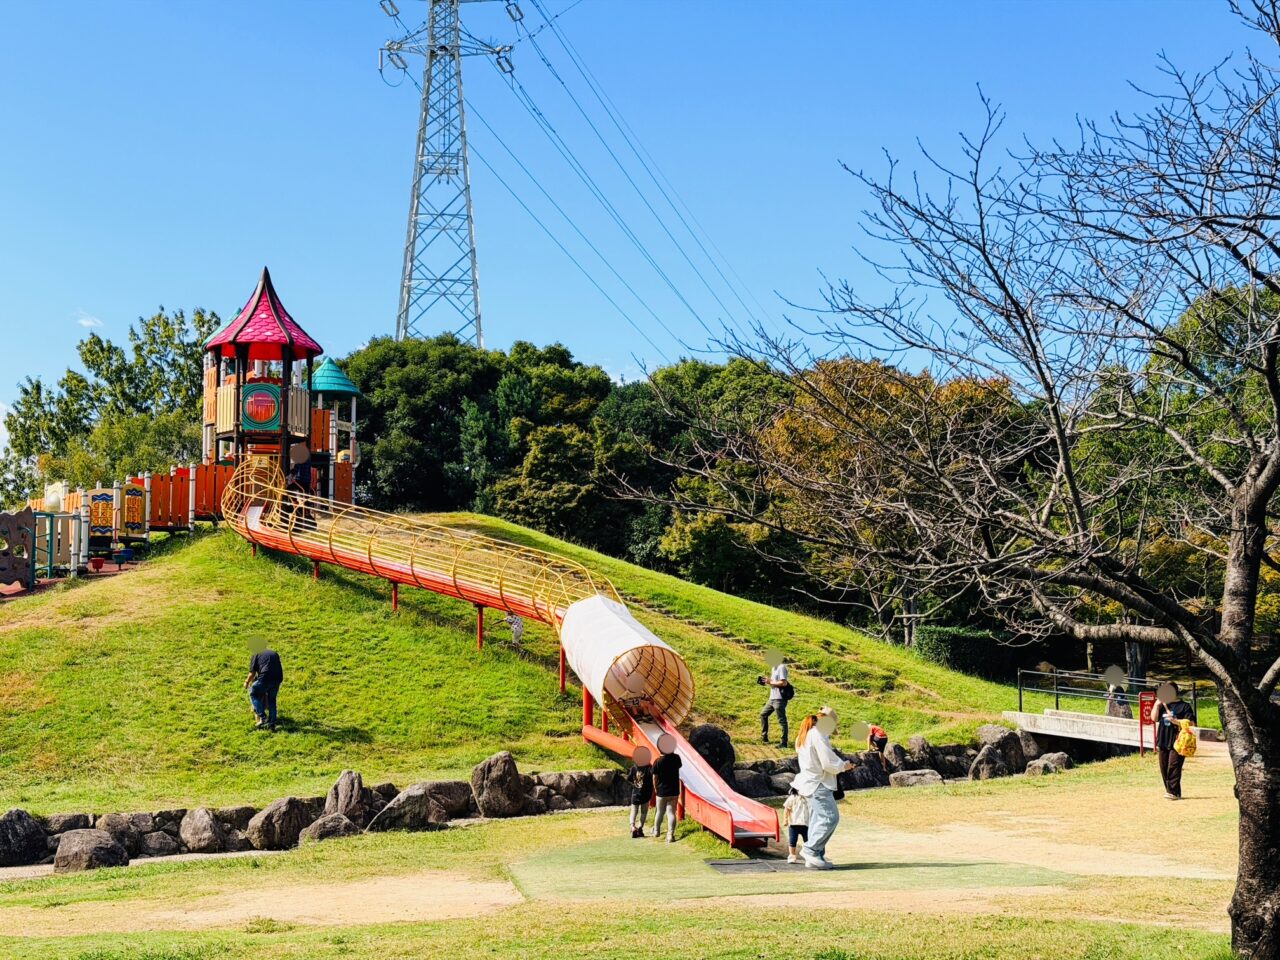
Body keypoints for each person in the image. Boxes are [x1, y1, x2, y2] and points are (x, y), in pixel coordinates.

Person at [792, 708, 854, 870]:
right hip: (819, 783)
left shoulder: (805, 734)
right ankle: (811, 850)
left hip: (809, 783)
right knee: (829, 818)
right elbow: (827, 762)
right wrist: (844, 766)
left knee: (817, 819)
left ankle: (815, 856)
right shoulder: (818, 734)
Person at [1152, 683, 1196, 800]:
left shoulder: (1184, 706)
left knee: (1174, 766)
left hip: (1178, 742)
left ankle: (1172, 792)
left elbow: (1191, 723)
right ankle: (1173, 792)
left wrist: (1176, 721)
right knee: (1164, 768)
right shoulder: (1162, 705)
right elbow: (1153, 718)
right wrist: (1156, 705)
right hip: (1163, 740)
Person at [245, 641, 284, 731]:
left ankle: (262, 716)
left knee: (253, 694)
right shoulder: (274, 653)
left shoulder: (256, 654)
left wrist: (247, 682)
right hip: (277, 679)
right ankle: (272, 724)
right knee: (272, 701)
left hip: (265, 678)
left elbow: (252, 673)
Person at [651, 733, 682, 842]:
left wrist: (656, 788)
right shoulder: (677, 758)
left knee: (660, 812)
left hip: (661, 791)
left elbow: (654, 777)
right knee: (671, 813)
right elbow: (678, 767)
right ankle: (670, 835)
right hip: (674, 790)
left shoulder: (658, 761)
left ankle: (656, 831)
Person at [759, 656, 790, 746]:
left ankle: (784, 742)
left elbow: (783, 683)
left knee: (782, 721)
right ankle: (764, 738)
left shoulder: (781, 667)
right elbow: (775, 682)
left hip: (779, 699)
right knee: (763, 714)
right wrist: (767, 681)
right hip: (772, 698)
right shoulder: (774, 668)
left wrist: (771, 682)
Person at [626, 746, 654, 839]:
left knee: (634, 811)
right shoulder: (649, 768)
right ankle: (640, 828)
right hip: (646, 794)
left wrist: (636, 784)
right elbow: (653, 779)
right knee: (643, 812)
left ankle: (632, 827)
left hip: (635, 793)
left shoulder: (634, 768)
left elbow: (629, 778)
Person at [782, 788, 809, 864]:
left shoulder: (808, 798)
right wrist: (785, 820)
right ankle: (792, 856)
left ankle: (809, 856)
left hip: (806, 824)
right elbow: (786, 809)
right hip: (794, 823)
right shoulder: (792, 798)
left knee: (808, 841)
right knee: (792, 841)